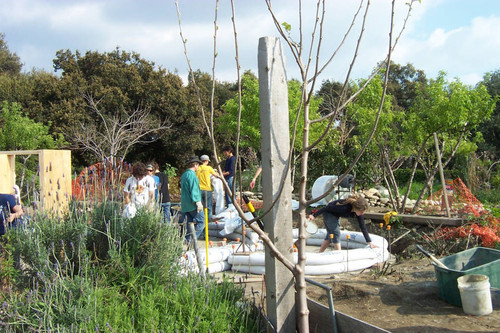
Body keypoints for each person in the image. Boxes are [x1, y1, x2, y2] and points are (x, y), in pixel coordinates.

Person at [308, 195, 378, 252]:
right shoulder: (345, 208)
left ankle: (320, 253)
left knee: (330, 235)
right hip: (329, 213)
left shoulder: (359, 214)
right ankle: (339, 254)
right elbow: (326, 208)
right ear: (356, 208)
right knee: (336, 233)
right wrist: (314, 215)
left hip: (336, 215)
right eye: (361, 212)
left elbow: (363, 227)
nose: (362, 214)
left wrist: (370, 243)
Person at [180, 156, 205, 241]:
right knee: (201, 222)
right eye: (198, 165)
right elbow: (194, 190)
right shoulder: (192, 175)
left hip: (185, 204)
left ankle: (187, 240)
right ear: (195, 165)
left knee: (188, 225)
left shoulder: (184, 175)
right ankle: (191, 240)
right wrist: (198, 202)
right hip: (192, 204)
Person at [196, 154, 220, 221]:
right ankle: (208, 219)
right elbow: (216, 175)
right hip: (207, 189)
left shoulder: (198, 168)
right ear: (206, 161)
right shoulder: (209, 168)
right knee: (209, 206)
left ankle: (201, 219)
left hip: (199, 189)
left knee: (200, 206)